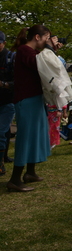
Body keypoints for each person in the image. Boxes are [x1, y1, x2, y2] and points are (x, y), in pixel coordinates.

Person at [7, 25, 52, 192]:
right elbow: (41, 65)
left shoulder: (30, 52)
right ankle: (15, 179)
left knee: (35, 136)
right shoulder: (25, 51)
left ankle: (30, 172)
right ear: (37, 37)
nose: (47, 41)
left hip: (33, 99)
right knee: (26, 138)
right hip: (26, 100)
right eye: (46, 37)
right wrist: (49, 49)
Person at [0, 31, 15, 176]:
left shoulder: (10, 58)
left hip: (6, 102)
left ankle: (1, 165)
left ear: (4, 43)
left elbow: (18, 82)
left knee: (0, 132)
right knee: (4, 132)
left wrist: (3, 84)